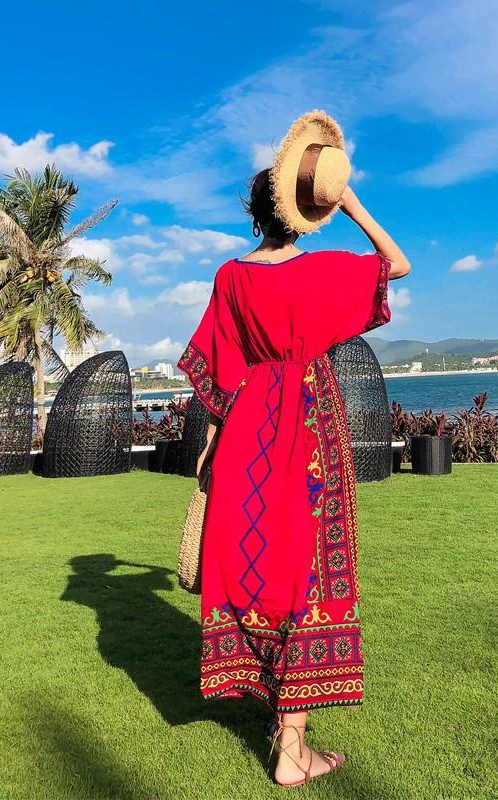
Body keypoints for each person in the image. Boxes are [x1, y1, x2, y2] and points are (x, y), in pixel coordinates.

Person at [177, 110, 410, 787]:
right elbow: (397, 264)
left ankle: (283, 724)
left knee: (257, 564)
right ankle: (293, 748)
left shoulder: (230, 277)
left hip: (248, 424)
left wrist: (211, 446)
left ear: (256, 213)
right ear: (309, 209)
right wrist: (351, 201)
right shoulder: (324, 271)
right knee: (308, 570)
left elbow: (217, 371)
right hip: (309, 423)